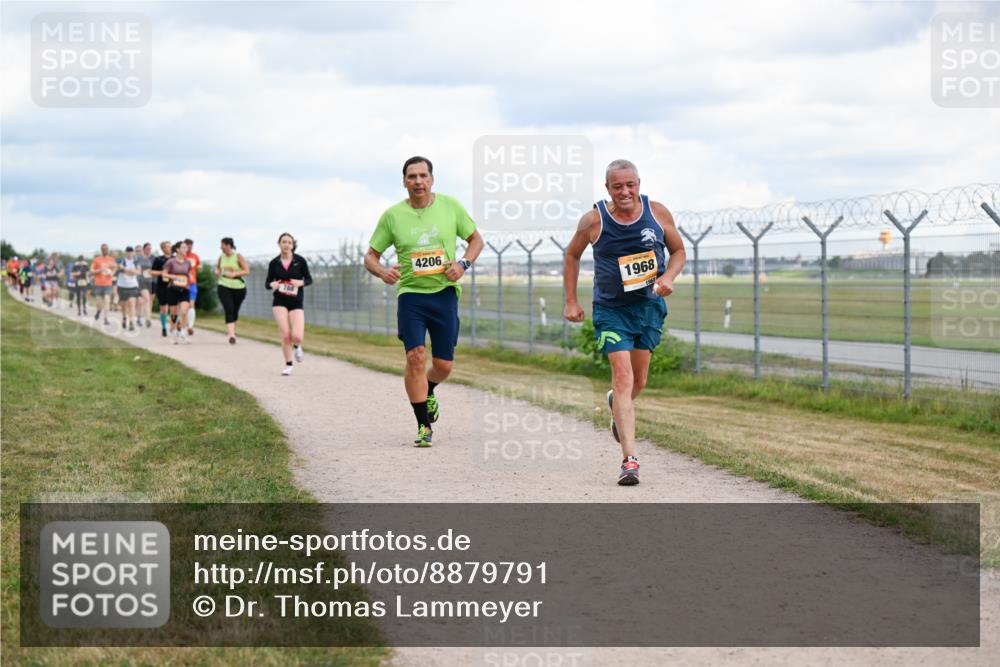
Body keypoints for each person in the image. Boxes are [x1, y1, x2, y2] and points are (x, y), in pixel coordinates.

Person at [563, 159, 686, 485]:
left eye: (630, 184)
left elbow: (679, 252)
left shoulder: (657, 213)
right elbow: (572, 254)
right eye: (617, 186)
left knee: (638, 383)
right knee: (622, 376)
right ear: (608, 189)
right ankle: (629, 461)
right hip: (611, 310)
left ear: (639, 184)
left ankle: (615, 405)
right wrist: (571, 300)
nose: (625, 191)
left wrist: (669, 277)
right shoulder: (594, 220)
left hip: (647, 308)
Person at [364, 156, 483, 447]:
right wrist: (382, 271)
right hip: (411, 296)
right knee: (415, 356)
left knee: (443, 365)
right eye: (411, 176)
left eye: (423, 176)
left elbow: (476, 240)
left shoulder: (450, 207)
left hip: (444, 294)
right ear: (404, 181)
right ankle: (423, 425)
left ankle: (429, 389)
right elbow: (370, 256)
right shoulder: (392, 216)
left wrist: (463, 264)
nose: (418, 181)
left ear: (432, 179)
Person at [265, 233, 312, 375]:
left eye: (289, 242)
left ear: (293, 245)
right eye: (284, 242)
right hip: (279, 301)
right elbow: (267, 283)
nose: (286, 245)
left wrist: (301, 282)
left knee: (297, 336)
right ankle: (288, 364)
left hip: (296, 301)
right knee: (285, 335)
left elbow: (309, 279)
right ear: (279, 244)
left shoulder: (300, 261)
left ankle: (297, 346)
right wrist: (272, 284)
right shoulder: (274, 263)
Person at [215, 237, 250, 344]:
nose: (220, 247)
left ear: (228, 245)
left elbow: (247, 271)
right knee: (228, 309)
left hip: (239, 287)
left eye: (222, 245)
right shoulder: (221, 257)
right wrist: (217, 272)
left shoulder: (238, 256)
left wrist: (234, 274)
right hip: (223, 285)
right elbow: (217, 268)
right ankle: (232, 334)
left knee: (234, 311)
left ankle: (232, 329)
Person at [162, 241, 194, 344]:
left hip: (184, 290)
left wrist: (189, 279)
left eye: (186, 248)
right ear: (177, 250)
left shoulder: (188, 262)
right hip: (173, 290)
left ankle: (183, 333)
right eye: (184, 247)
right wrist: (172, 276)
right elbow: (164, 274)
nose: (186, 249)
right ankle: (173, 331)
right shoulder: (171, 262)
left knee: (184, 311)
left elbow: (188, 274)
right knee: (173, 314)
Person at [150, 241, 173, 337]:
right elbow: (152, 272)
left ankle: (173, 327)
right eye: (167, 247)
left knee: (173, 307)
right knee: (164, 308)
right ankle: (164, 328)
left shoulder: (174, 258)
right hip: (161, 286)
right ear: (163, 249)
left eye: (170, 246)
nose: (169, 248)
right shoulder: (158, 259)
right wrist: (162, 273)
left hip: (173, 285)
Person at [90, 244, 116, 325]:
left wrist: (112, 273)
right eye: (103, 249)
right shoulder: (97, 260)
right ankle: (98, 310)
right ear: (101, 250)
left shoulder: (111, 259)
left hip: (108, 284)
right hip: (98, 284)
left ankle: (106, 318)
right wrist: (99, 270)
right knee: (99, 303)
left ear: (108, 250)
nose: (104, 250)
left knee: (107, 301)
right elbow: (91, 271)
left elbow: (115, 267)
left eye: (106, 249)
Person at [116, 246, 141, 331]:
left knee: (132, 303)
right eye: (128, 251)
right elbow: (119, 268)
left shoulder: (136, 261)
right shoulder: (121, 261)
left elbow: (138, 272)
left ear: (133, 252)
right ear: (125, 252)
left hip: (133, 286)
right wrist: (131, 271)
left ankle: (131, 322)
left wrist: (126, 269)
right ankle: (124, 317)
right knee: (124, 305)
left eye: (131, 251)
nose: (129, 253)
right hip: (122, 285)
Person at [136, 243, 155, 328]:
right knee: (144, 300)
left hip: (149, 282)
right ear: (144, 249)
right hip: (140, 281)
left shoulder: (153, 258)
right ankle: (145, 318)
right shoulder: (139, 258)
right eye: (147, 248)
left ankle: (145, 318)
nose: (149, 250)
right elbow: (138, 268)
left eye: (150, 249)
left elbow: (155, 269)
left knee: (146, 301)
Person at [184, 237, 201, 335]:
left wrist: (199, 267)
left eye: (191, 246)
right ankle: (180, 323)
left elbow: (199, 266)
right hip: (181, 283)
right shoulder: (180, 256)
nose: (190, 248)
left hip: (192, 283)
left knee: (191, 304)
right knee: (182, 306)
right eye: (188, 246)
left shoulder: (195, 256)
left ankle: (190, 326)